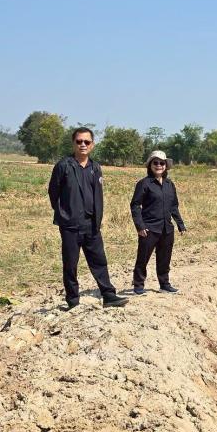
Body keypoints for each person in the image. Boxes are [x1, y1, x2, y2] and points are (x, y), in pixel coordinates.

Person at [47, 127, 129, 309]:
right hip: (70, 225)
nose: (83, 145)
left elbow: (98, 195)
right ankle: (73, 301)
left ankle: (109, 296)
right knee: (70, 264)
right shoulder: (64, 166)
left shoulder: (95, 167)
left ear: (92, 145)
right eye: (79, 141)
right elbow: (53, 192)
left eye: (87, 142)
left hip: (91, 224)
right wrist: (64, 213)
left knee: (99, 261)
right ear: (73, 143)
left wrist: (97, 219)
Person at [129, 150, 186, 294]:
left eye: (162, 163)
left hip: (167, 228)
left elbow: (174, 206)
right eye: (156, 162)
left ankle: (164, 284)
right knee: (143, 258)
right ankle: (138, 285)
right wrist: (140, 226)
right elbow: (135, 205)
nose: (159, 165)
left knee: (164, 258)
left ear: (166, 166)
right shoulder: (144, 184)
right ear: (150, 165)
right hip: (149, 228)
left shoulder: (169, 184)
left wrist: (180, 224)